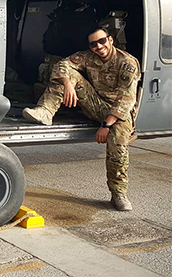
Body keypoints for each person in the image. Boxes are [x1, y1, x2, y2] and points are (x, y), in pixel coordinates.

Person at [22, 28, 141, 211]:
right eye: (93, 44)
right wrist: (67, 83)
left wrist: (106, 125)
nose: (98, 47)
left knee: (117, 144)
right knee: (66, 75)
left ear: (110, 40)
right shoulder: (89, 57)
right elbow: (63, 64)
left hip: (119, 114)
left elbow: (127, 99)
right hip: (98, 104)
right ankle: (45, 111)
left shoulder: (127, 63)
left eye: (102, 41)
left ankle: (118, 193)